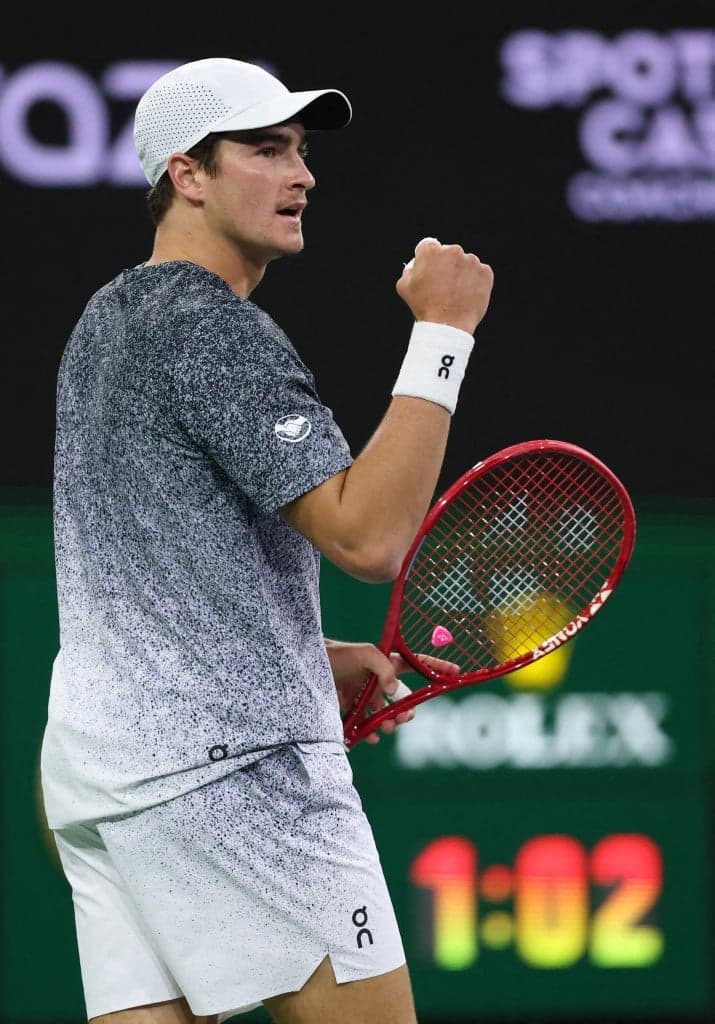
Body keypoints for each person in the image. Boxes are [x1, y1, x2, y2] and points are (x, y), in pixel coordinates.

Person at [40, 56, 494, 1024]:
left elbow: (156, 556)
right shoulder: (211, 328)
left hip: (97, 778)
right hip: (233, 772)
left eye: (298, 149)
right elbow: (368, 537)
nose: (302, 173)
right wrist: (445, 331)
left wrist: (297, 650)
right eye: (265, 148)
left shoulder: (107, 321)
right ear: (187, 174)